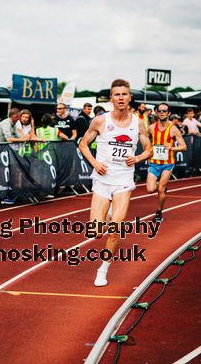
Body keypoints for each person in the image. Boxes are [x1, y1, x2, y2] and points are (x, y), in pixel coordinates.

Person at [78, 79, 152, 287]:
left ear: (130, 98)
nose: (120, 98)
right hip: (102, 179)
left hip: (123, 179)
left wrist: (137, 158)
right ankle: (108, 214)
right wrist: (94, 162)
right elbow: (83, 144)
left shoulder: (138, 123)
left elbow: (149, 149)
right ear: (111, 98)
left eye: (124, 94)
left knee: (117, 228)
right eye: (117, 94)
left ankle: (103, 269)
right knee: (96, 232)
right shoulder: (100, 121)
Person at [146, 103, 186, 222]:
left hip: (168, 163)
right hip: (154, 163)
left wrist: (172, 148)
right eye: (160, 111)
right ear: (157, 113)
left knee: (161, 189)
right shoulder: (151, 128)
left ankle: (159, 213)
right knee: (150, 189)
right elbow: (146, 142)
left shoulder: (173, 129)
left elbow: (184, 147)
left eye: (165, 111)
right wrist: (148, 150)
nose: (162, 113)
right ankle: (161, 187)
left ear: (168, 113)